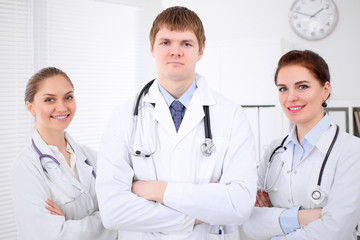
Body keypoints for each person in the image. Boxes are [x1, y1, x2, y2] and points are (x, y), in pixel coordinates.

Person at [95, 6, 258, 240]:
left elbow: (240, 204)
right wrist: (199, 214)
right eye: (166, 42)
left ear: (201, 51)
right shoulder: (123, 117)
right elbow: (112, 211)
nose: (175, 51)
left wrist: (155, 191)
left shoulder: (231, 115)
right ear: (152, 48)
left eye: (186, 43)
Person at [241, 50, 360, 239]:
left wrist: (274, 222)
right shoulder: (274, 151)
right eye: (283, 88)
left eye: (302, 86)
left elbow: (335, 230)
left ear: (325, 90)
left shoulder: (352, 151)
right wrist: (304, 217)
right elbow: (248, 223)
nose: (291, 97)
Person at [11, 67, 117, 240]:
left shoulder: (90, 156)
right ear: (31, 108)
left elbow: (122, 209)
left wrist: (71, 224)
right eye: (49, 100)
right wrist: (108, 221)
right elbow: (52, 236)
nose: (61, 107)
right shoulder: (25, 168)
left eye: (68, 97)